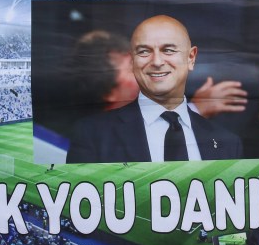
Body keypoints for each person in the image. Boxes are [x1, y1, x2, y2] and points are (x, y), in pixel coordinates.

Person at [67, 15, 243, 163]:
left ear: (191, 58)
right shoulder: (92, 135)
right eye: (144, 51)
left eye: (168, 50)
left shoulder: (228, 143)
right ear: (133, 61)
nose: (157, 62)